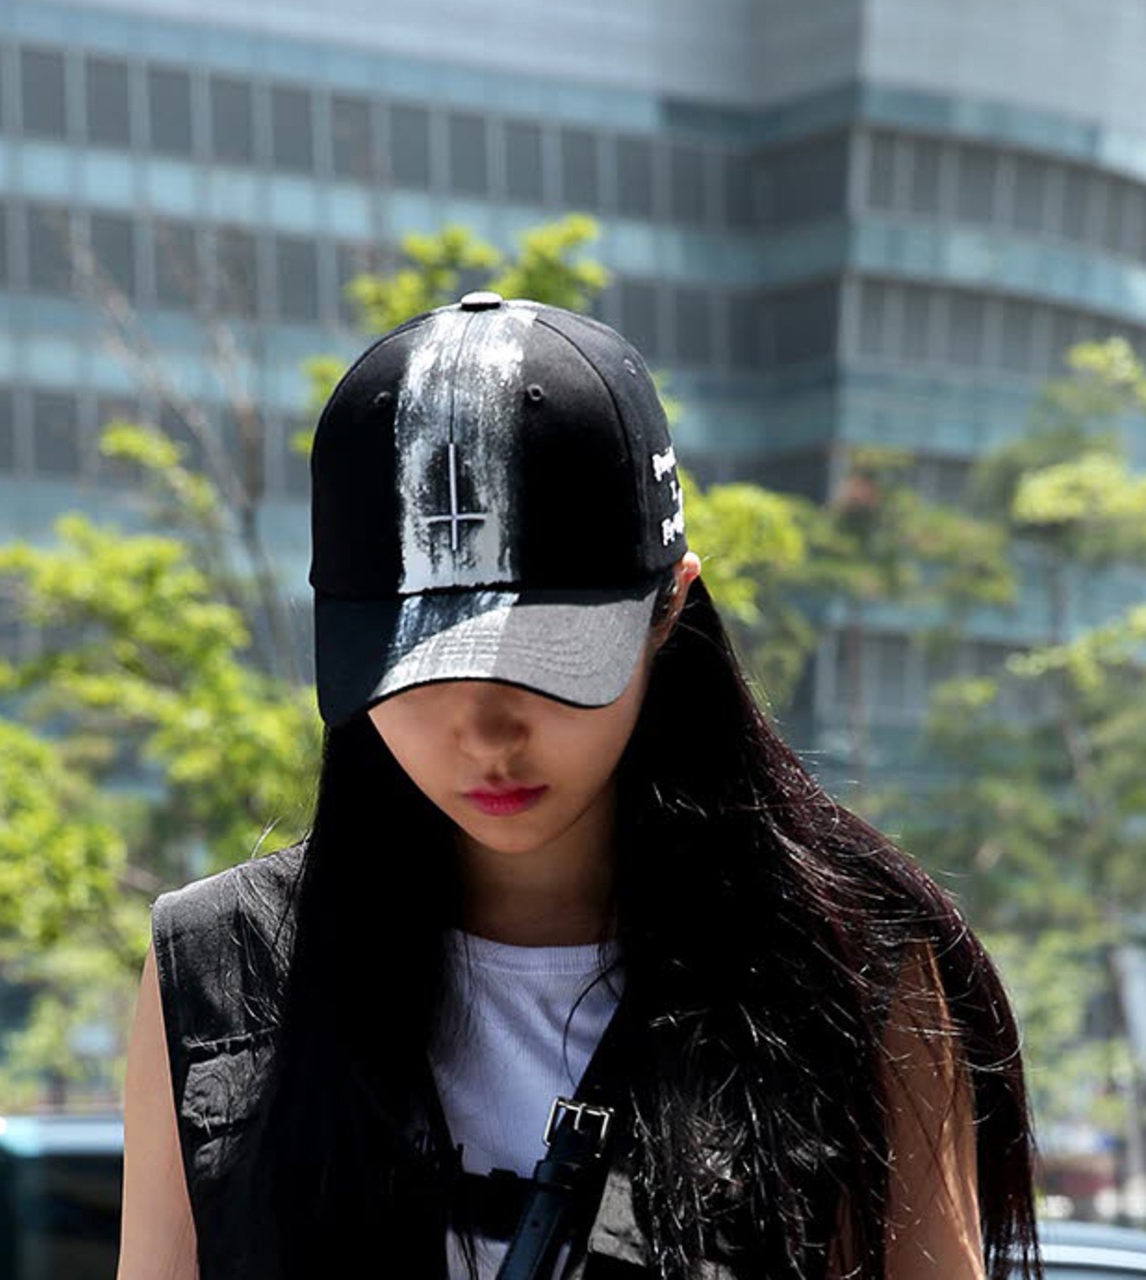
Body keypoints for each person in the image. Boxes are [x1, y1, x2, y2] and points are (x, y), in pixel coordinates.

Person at [117, 293, 1040, 1280]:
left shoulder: (856, 969)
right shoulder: (214, 970)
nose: (485, 733)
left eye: (545, 660)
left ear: (668, 607)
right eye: (417, 668)